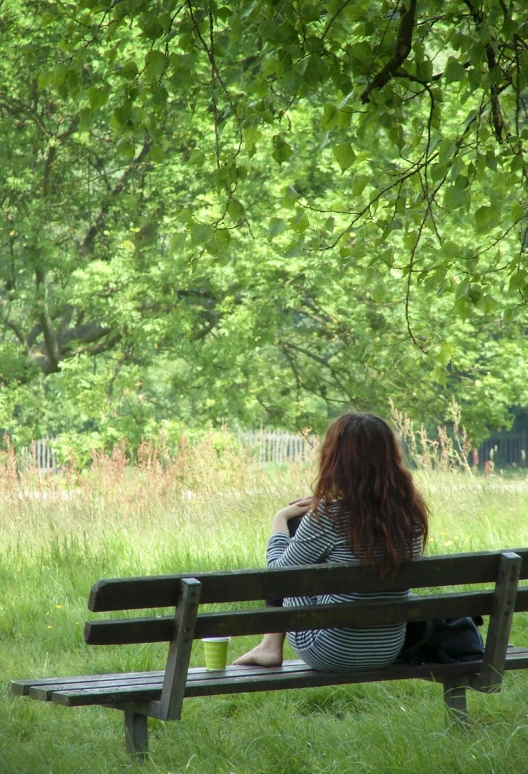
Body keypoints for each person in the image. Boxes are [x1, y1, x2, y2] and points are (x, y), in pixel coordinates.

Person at [233, 412, 429, 672]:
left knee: (291, 557)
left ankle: (270, 646)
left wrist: (280, 518)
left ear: (337, 459)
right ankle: (268, 646)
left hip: (331, 651)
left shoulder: (328, 518)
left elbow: (277, 577)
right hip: (387, 648)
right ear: (390, 457)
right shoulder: (411, 514)